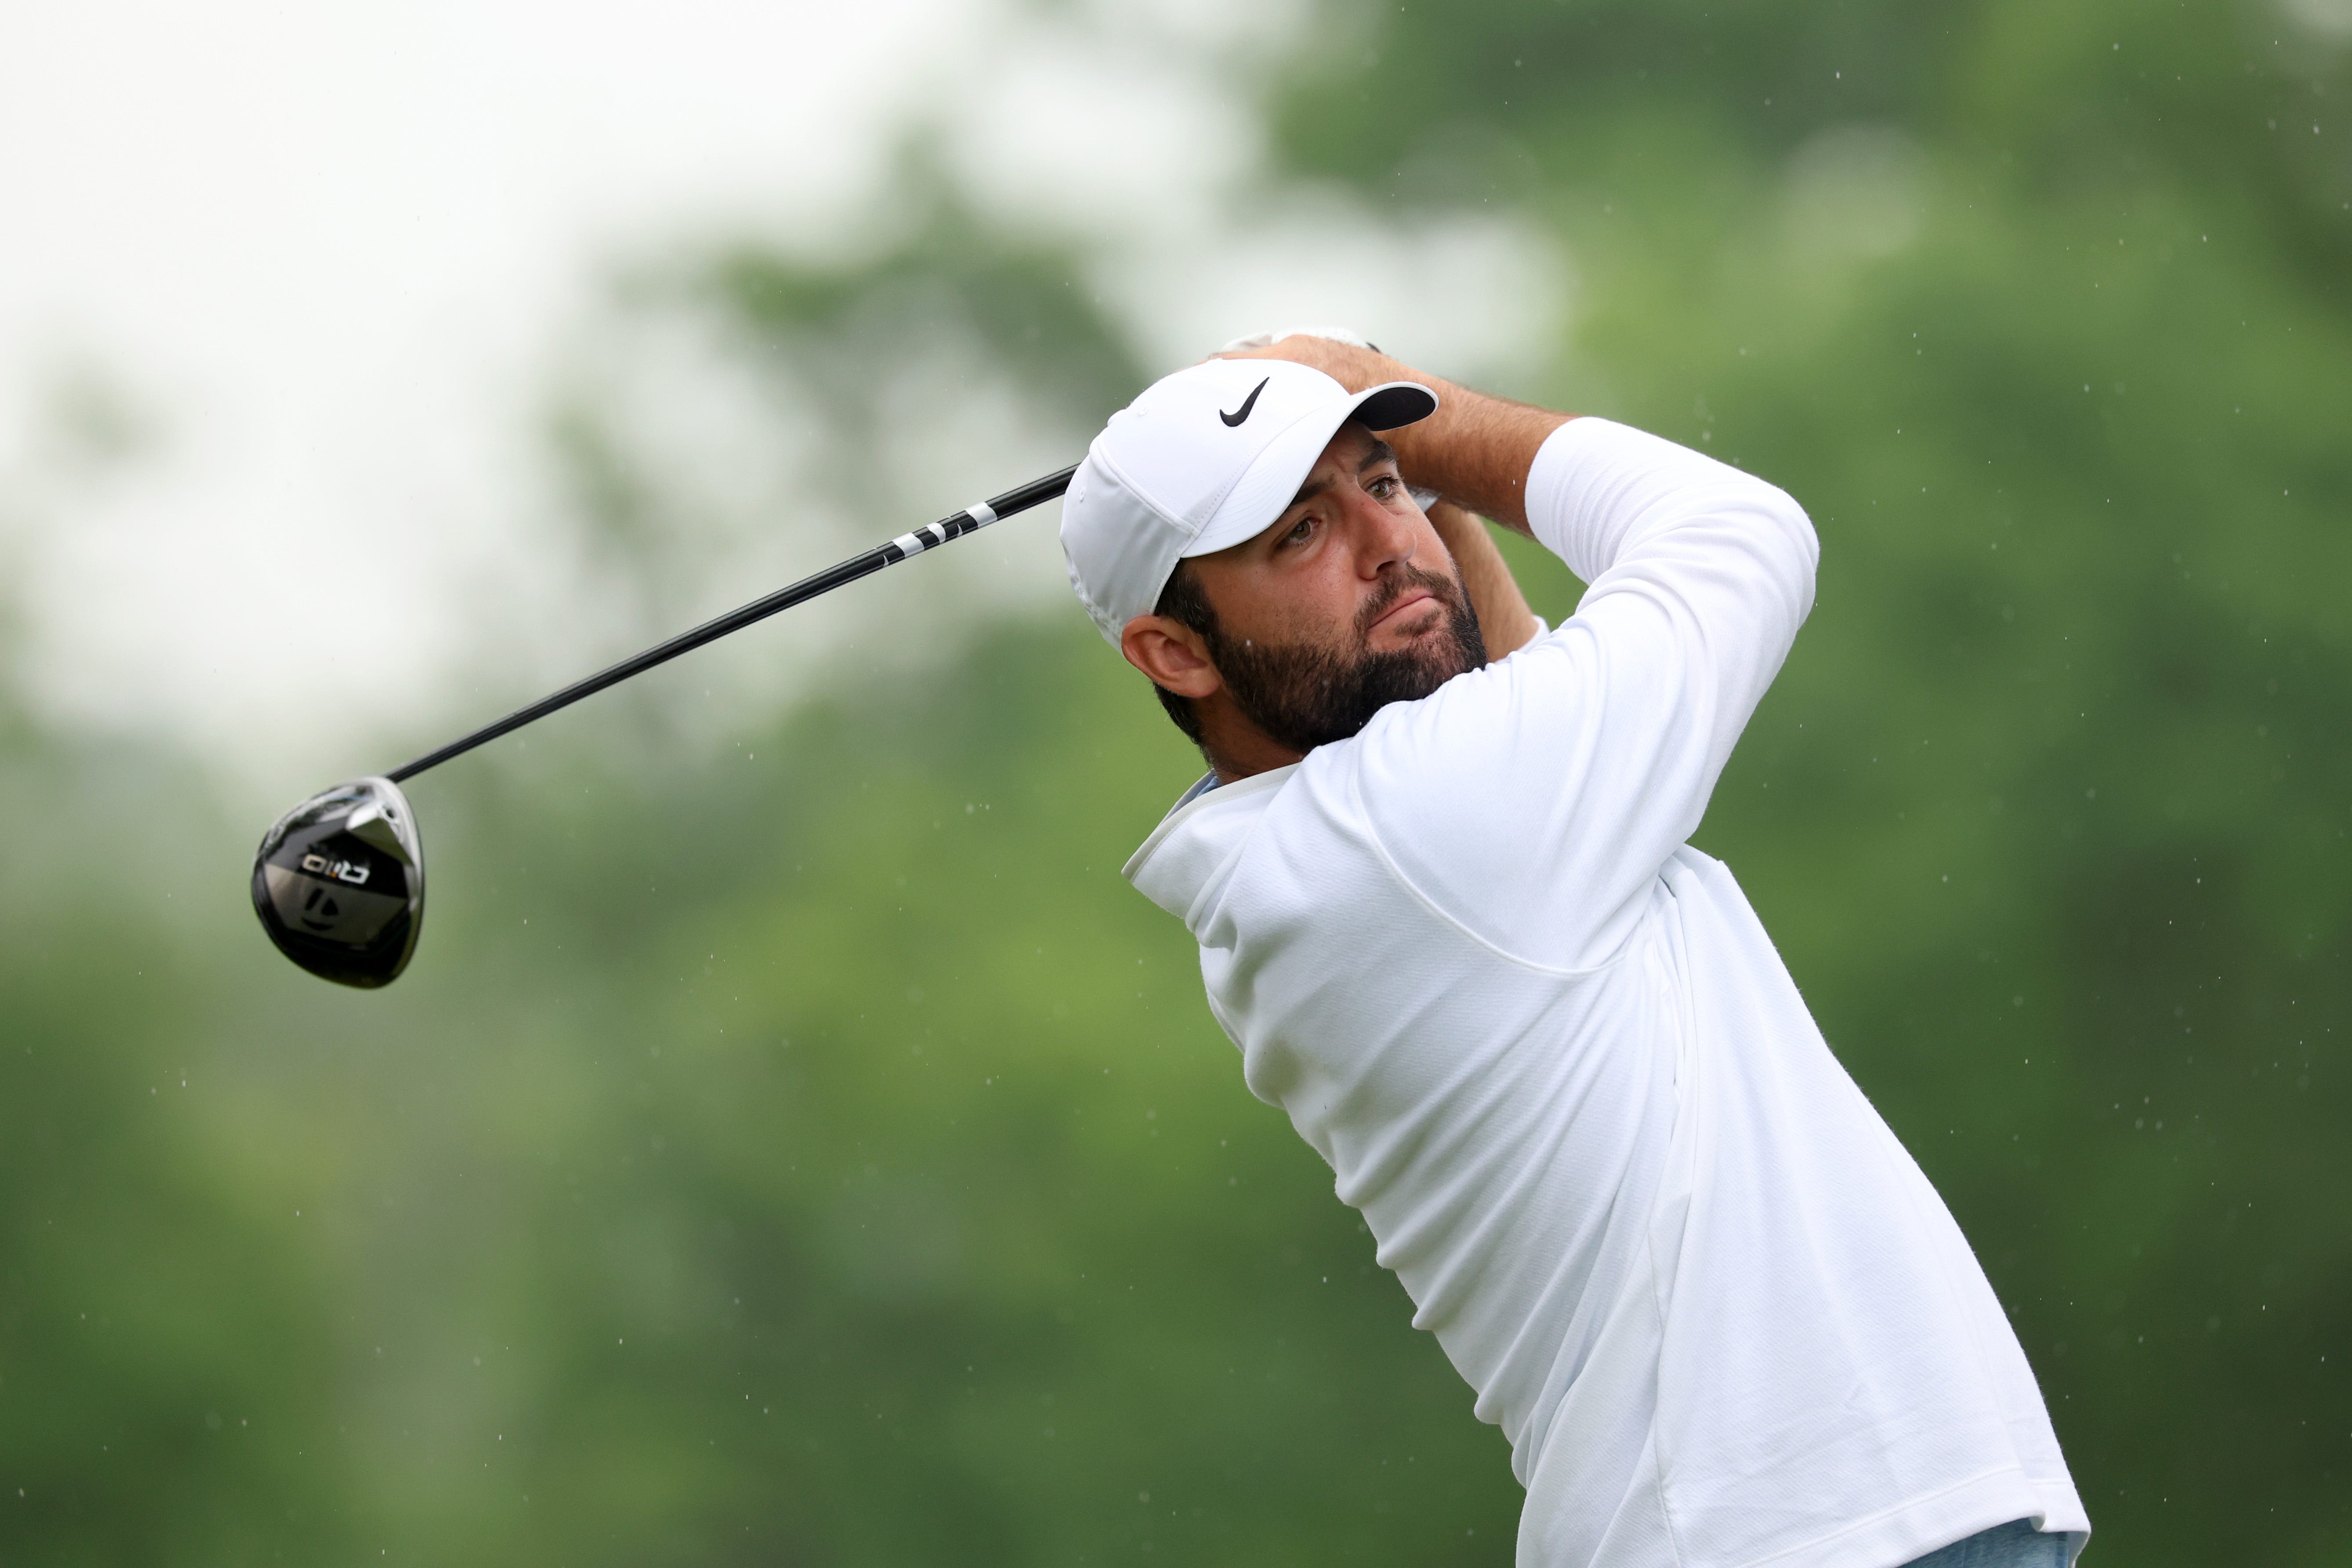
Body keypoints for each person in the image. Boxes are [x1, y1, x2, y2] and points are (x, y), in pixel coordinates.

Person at [1056, 329, 2091, 1568]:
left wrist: (1411, 518)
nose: (1389, 541)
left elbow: (1507, 680)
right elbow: (1741, 531)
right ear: (1173, 652)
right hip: (1798, 1534)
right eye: (1298, 534)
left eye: (1380, 485)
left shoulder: (1346, 840)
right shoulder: (1416, 826)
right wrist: (1428, 415)